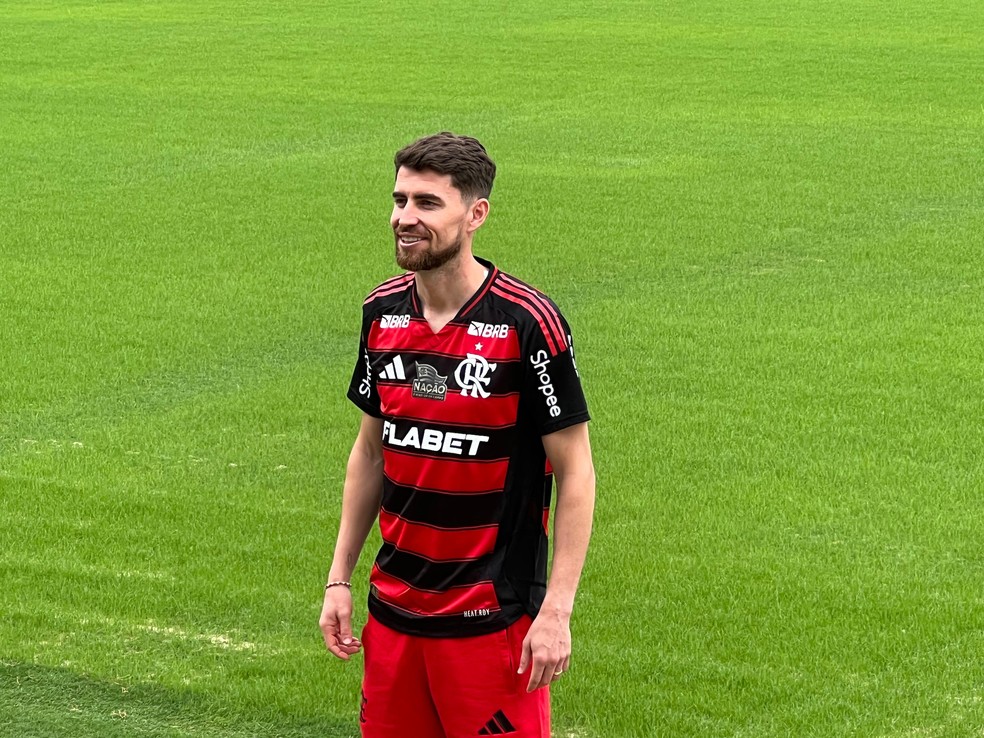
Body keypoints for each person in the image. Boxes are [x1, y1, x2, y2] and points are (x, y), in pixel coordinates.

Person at [319, 132, 596, 738]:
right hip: (392, 616)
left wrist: (557, 612)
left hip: (490, 624)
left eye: (427, 204)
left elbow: (575, 472)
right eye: (399, 200)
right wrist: (339, 578)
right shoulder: (381, 313)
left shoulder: (528, 324)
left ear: (476, 215)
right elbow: (370, 454)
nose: (404, 219)